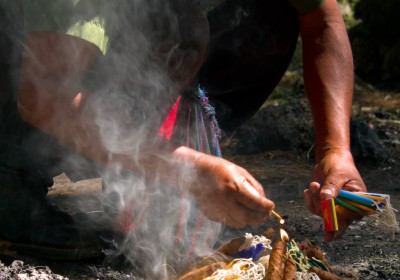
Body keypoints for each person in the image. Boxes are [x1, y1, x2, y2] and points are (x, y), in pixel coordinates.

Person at [0, 0, 366, 268]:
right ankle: (12, 181)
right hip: (28, 67)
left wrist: (336, 151)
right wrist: (185, 169)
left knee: (268, 17)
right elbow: (43, 95)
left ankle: (136, 161)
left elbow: (321, 18)